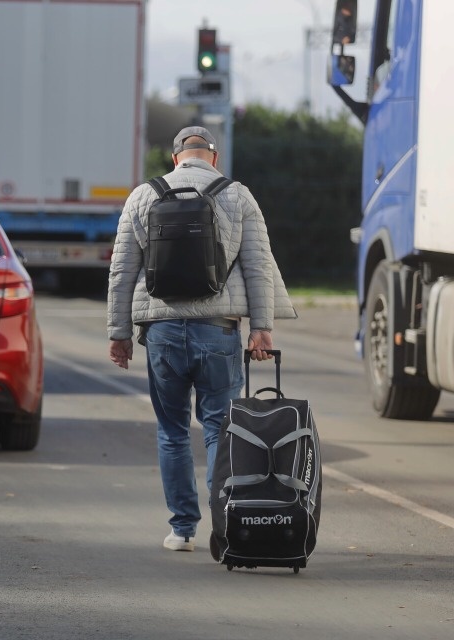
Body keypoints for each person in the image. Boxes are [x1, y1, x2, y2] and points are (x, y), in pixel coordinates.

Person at [106, 126, 297, 552]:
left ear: (175, 159)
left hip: (163, 332)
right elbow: (258, 266)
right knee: (218, 430)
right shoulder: (237, 194)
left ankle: (181, 529)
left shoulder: (143, 195)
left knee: (172, 431)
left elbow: (122, 273)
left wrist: (119, 334)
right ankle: (226, 524)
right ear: (214, 158)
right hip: (219, 329)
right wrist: (261, 327)